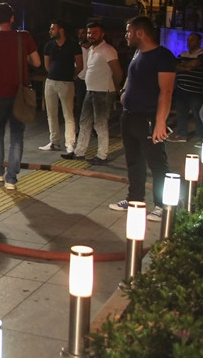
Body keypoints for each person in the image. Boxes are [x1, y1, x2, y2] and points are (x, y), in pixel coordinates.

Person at [109, 16, 176, 221]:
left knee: (157, 162)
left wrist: (160, 122)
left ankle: (162, 205)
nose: (126, 35)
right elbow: (134, 79)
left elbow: (166, 91)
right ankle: (134, 199)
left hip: (149, 117)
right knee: (134, 161)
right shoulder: (138, 53)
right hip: (129, 116)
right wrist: (124, 93)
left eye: (128, 31)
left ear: (140, 33)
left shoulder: (163, 56)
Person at [0, 2, 41, 190]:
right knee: (17, 135)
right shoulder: (24, 37)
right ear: (13, 18)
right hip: (19, 94)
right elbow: (37, 62)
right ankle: (11, 179)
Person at [65, 21, 123, 164]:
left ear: (102, 34)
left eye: (95, 32)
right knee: (84, 122)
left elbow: (117, 72)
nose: (91, 35)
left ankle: (102, 155)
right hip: (90, 90)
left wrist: (114, 87)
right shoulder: (91, 49)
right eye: (89, 32)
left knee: (100, 124)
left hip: (103, 92)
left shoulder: (107, 50)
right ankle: (79, 152)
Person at [40, 21, 82, 153]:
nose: (50, 31)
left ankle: (70, 143)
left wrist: (71, 76)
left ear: (61, 30)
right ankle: (54, 141)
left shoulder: (73, 45)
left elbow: (80, 65)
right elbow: (47, 65)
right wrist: (53, 74)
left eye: (53, 29)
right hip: (51, 81)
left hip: (66, 82)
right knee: (51, 113)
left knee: (68, 113)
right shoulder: (49, 45)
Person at [170, 32, 203, 142]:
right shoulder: (183, 54)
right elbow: (174, 66)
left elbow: (195, 64)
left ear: (199, 41)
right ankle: (182, 135)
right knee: (181, 114)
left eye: (192, 40)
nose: (189, 42)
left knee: (197, 114)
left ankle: (199, 135)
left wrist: (183, 65)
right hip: (181, 89)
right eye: (188, 40)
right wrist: (186, 68)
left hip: (195, 90)